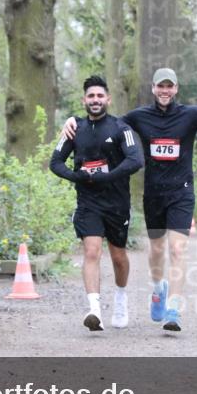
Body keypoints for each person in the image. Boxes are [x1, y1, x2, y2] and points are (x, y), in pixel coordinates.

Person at [62, 67, 197, 333]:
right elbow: (106, 123)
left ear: (176, 89)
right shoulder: (139, 117)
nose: (165, 91)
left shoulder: (191, 115)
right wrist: (73, 120)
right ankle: (158, 287)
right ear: (153, 89)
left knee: (177, 250)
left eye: (169, 87)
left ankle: (173, 309)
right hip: (153, 195)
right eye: (160, 86)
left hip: (181, 193)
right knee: (157, 251)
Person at [50, 75, 144, 332]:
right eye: (91, 96)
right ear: (84, 100)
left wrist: (106, 176)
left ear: (108, 99)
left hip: (117, 202)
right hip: (88, 202)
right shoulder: (74, 128)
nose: (95, 100)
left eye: (100, 96)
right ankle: (94, 311)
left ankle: (121, 298)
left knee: (118, 256)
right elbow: (55, 162)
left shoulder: (121, 127)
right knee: (91, 251)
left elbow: (136, 160)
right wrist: (76, 175)